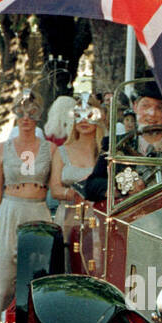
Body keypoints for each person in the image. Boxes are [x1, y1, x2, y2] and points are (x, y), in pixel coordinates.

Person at [0, 90, 53, 323]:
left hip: (38, 212)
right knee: (3, 287)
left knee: (37, 285)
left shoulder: (50, 149)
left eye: (32, 113)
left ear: (39, 116)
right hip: (9, 212)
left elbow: (60, 183)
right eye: (21, 113)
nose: (26, 119)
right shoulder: (2, 148)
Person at [49, 97, 104, 228]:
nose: (84, 120)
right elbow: (55, 189)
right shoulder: (61, 151)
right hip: (68, 217)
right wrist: (73, 194)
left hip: (98, 218)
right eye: (78, 115)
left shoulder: (106, 152)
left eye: (89, 115)